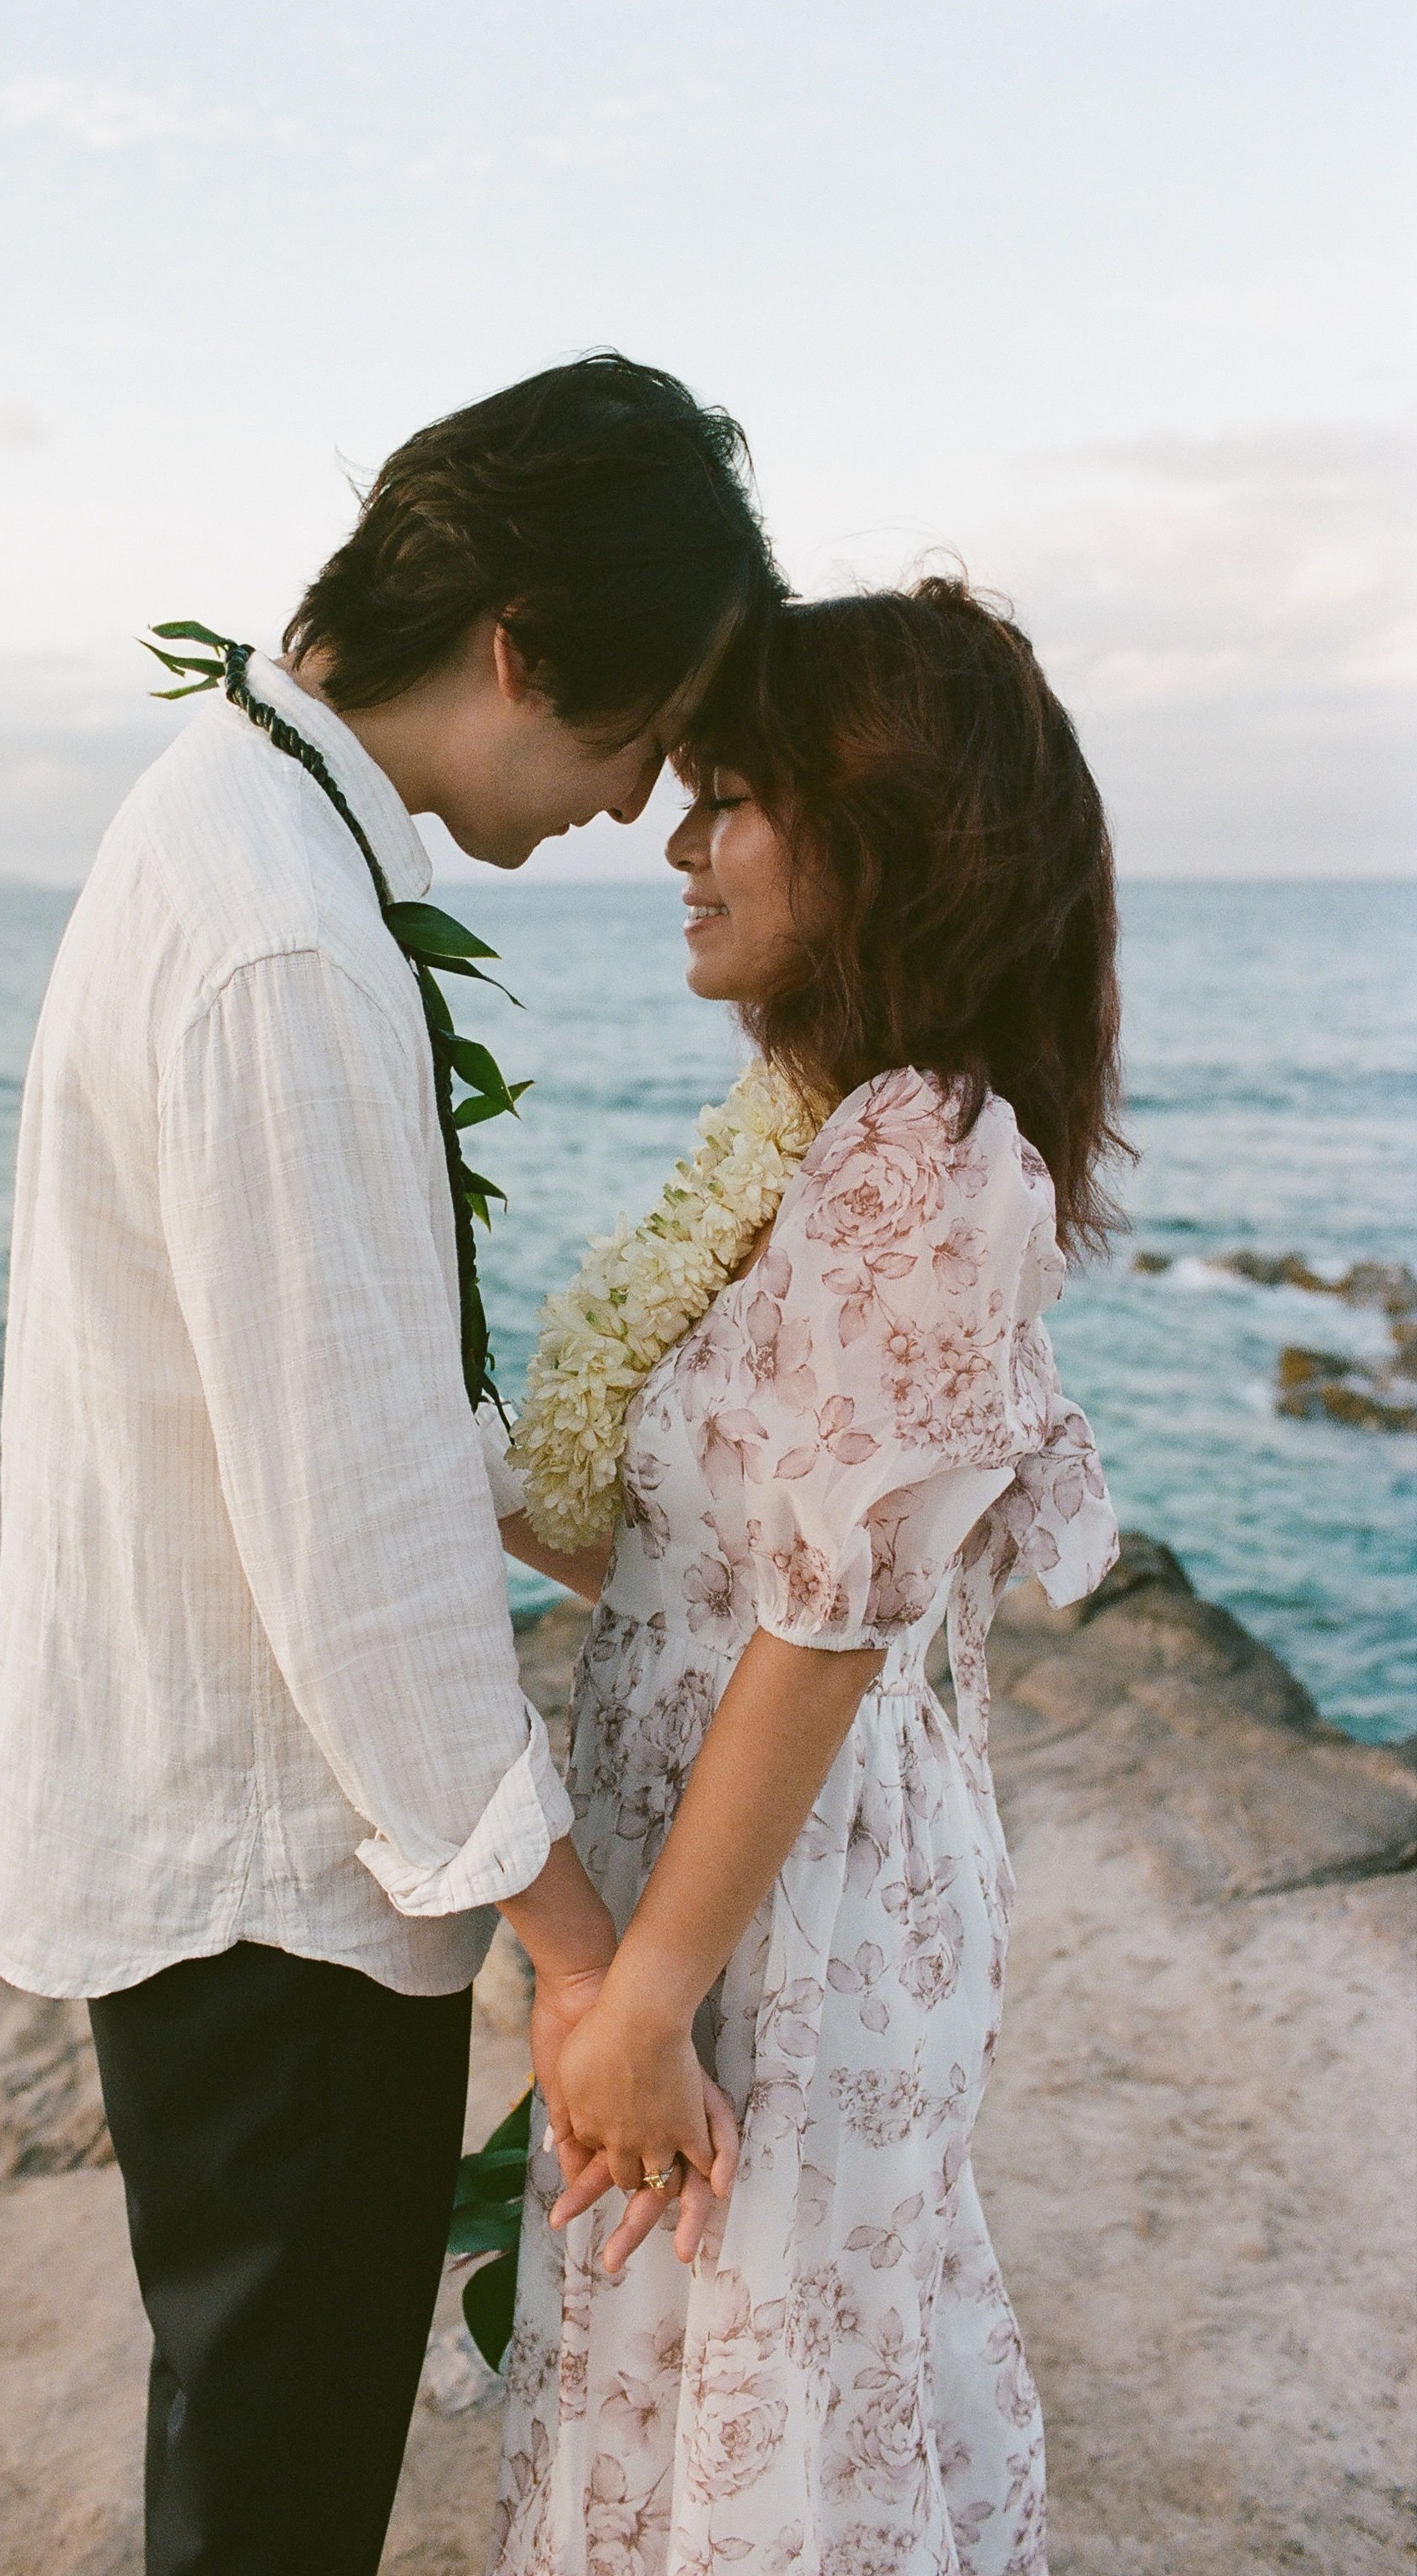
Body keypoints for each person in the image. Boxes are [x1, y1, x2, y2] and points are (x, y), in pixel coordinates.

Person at [0, 354, 778, 2576]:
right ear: (523, 646)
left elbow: (355, 1433)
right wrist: (590, 1952)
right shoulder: (280, 932)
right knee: (280, 2477)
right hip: (276, 1869)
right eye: (641, 738)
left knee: (263, 2427)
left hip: (255, 1824)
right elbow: (354, 1546)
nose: (635, 811)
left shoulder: (249, 822)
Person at [488, 577, 1124, 2575]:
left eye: (734, 800)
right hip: (728, 1869)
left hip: (782, 1907)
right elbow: (690, 1550)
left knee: (758, 2402)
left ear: (882, 841)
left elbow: (822, 1628)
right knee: (718, 2384)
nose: (681, 848)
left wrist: (639, 1994)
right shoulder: (827, 1132)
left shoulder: (917, 1158)